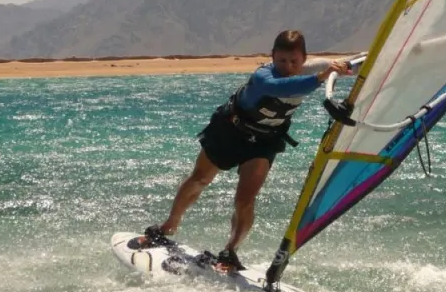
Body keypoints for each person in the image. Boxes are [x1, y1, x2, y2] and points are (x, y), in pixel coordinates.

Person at [140, 29, 353, 272]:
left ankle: (230, 251)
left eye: (294, 61)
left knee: (245, 201)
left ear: (304, 58)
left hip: (264, 141)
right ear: (272, 56)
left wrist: (355, 65)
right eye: (281, 60)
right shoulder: (264, 76)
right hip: (230, 130)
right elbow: (280, 88)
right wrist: (320, 78)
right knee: (200, 179)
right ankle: (169, 225)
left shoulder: (316, 68)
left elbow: (355, 66)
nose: (287, 67)